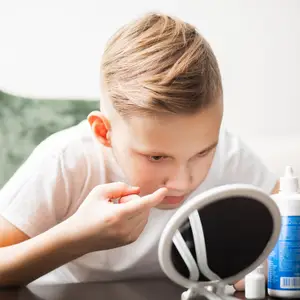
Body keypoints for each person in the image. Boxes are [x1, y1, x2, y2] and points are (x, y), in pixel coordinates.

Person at [0, 12, 279, 288]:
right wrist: (76, 238)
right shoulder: (65, 161)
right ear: (103, 132)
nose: (183, 182)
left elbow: (287, 218)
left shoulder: (228, 152)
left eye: (203, 153)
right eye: (156, 157)